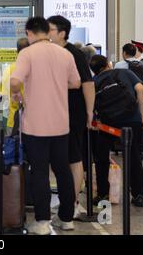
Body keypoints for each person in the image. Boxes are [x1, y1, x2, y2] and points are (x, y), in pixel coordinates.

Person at [11, 17, 81, 235]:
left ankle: (42, 222)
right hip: (61, 125)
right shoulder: (64, 53)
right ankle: (66, 218)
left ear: (30, 33)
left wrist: (17, 91)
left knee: (40, 172)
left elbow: (14, 81)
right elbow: (76, 83)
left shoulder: (27, 53)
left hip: (36, 126)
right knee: (63, 171)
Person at [47, 15, 95, 219]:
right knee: (61, 158)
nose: (47, 33)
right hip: (57, 113)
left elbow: (87, 84)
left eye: (50, 30)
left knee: (74, 158)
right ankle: (67, 201)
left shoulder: (73, 54)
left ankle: (73, 202)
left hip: (72, 114)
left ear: (62, 33)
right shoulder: (54, 52)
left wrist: (89, 113)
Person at [89, 55, 143, 207]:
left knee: (101, 157)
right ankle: (138, 195)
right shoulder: (124, 73)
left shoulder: (94, 82)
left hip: (107, 123)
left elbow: (91, 103)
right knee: (133, 156)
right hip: (131, 120)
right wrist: (141, 117)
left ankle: (103, 194)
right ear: (108, 64)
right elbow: (140, 90)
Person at [0, 37, 30, 135]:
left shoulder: (9, 69)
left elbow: (2, 95)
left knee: (12, 148)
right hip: (31, 122)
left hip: (12, 120)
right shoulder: (33, 68)